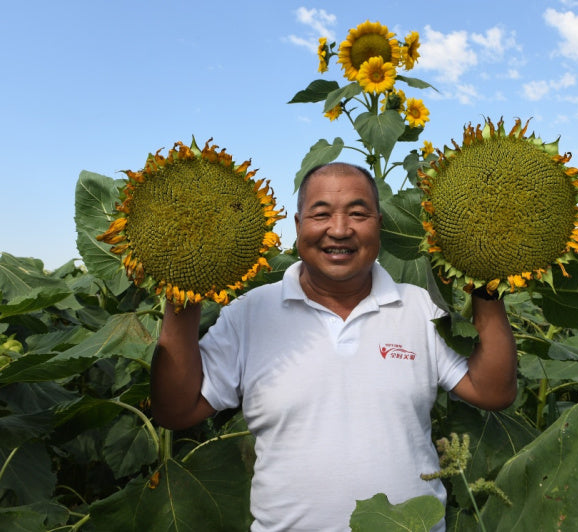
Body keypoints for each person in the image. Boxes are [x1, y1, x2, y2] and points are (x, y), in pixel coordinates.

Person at [151, 162, 517, 531]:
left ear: (379, 224)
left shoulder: (419, 307)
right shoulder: (249, 313)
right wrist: (183, 287)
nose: (339, 230)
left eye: (358, 214)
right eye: (321, 214)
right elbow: (177, 412)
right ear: (298, 226)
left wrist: (485, 275)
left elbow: (493, 391)